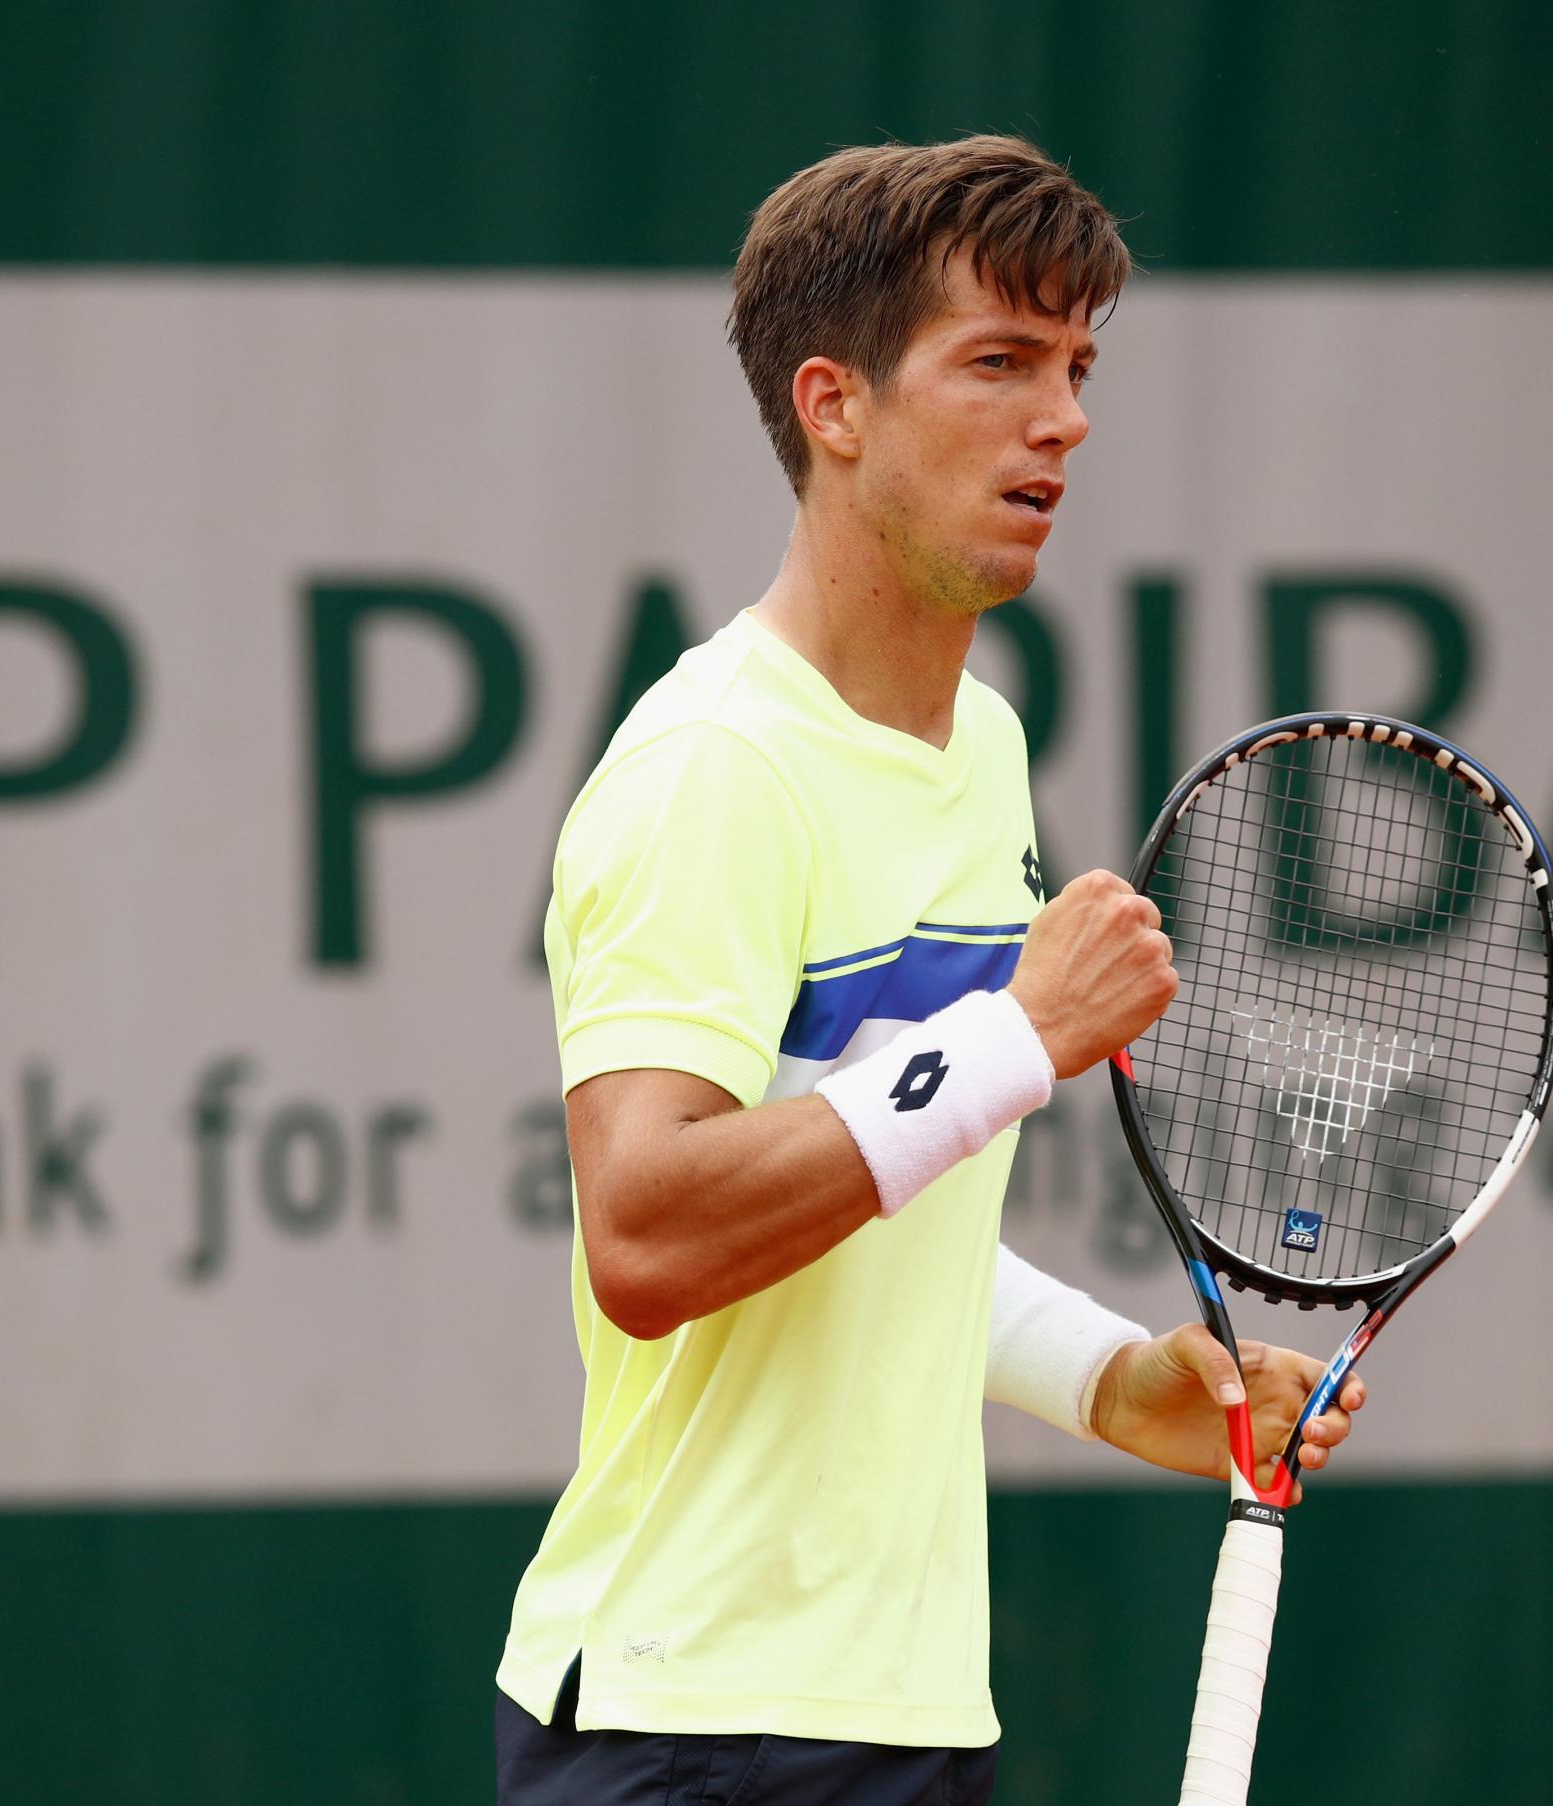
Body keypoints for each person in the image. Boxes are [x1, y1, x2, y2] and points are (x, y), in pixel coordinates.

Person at [493, 134, 1367, 1805]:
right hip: (699, 1726)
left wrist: (1125, 1387)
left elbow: (876, 1226)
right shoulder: (713, 770)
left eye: (1078, 367)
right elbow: (652, 1228)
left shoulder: (979, 750)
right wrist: (1018, 1032)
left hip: (897, 1711)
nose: (1065, 419)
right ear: (835, 406)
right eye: (1000, 364)